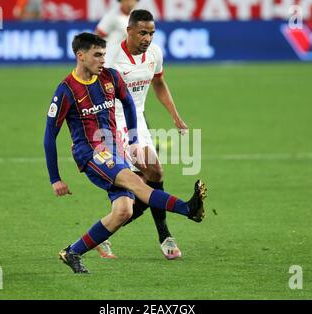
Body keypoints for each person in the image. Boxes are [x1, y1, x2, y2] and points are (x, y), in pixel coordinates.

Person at [43, 32, 207, 274]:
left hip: (115, 148)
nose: (102, 60)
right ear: (81, 56)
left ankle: (72, 252)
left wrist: (132, 140)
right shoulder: (66, 90)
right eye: (97, 55)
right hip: (90, 153)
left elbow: (129, 103)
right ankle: (187, 209)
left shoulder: (110, 77)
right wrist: (55, 178)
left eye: (104, 55)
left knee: (123, 211)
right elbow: (49, 136)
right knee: (136, 183)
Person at [101, 9, 190, 260]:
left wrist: (174, 115)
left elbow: (159, 82)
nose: (147, 38)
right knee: (154, 173)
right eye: (142, 33)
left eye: (151, 33)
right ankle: (165, 236)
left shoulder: (155, 53)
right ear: (128, 31)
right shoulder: (111, 57)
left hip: (137, 121)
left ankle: (103, 236)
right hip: (113, 124)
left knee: (142, 187)